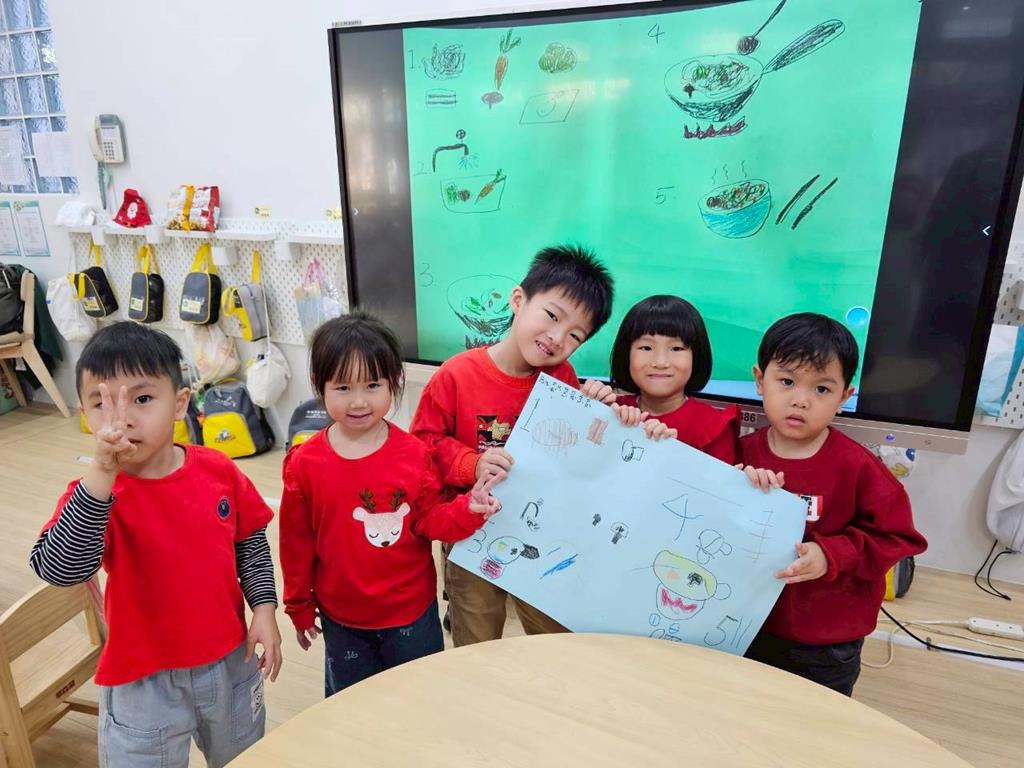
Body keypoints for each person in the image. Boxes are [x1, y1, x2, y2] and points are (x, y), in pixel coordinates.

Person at [30, 322, 281, 768]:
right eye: (102, 404)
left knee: (247, 757)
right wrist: (101, 475)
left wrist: (263, 607)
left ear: (180, 403)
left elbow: (250, 541)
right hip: (141, 678)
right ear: (85, 414)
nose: (122, 418)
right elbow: (60, 569)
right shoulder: (94, 494)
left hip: (228, 660)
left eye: (142, 399)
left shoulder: (218, 470)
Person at [279, 313, 501, 694]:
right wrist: (298, 605)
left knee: (418, 697)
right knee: (353, 703)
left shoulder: (415, 455)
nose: (359, 401)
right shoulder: (304, 464)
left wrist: (469, 509)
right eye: (343, 387)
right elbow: (295, 543)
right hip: (343, 617)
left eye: (372, 385)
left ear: (393, 382)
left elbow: (431, 520)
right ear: (320, 384)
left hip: (411, 613)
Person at [410, 244, 616, 645]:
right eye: (552, 316)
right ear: (519, 300)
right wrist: (472, 464)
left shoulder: (563, 377)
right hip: (469, 533)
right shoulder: (456, 375)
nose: (557, 338)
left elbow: (569, 457)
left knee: (550, 638)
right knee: (476, 638)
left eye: (575, 335)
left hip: (539, 531)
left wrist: (594, 417)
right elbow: (423, 445)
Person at [740, 312, 927, 695]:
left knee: (814, 725)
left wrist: (831, 555)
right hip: (746, 627)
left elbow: (899, 538)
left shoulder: (858, 467)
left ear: (844, 396)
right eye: (787, 382)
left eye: (822, 389)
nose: (801, 400)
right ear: (760, 381)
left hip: (823, 645)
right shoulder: (739, 454)